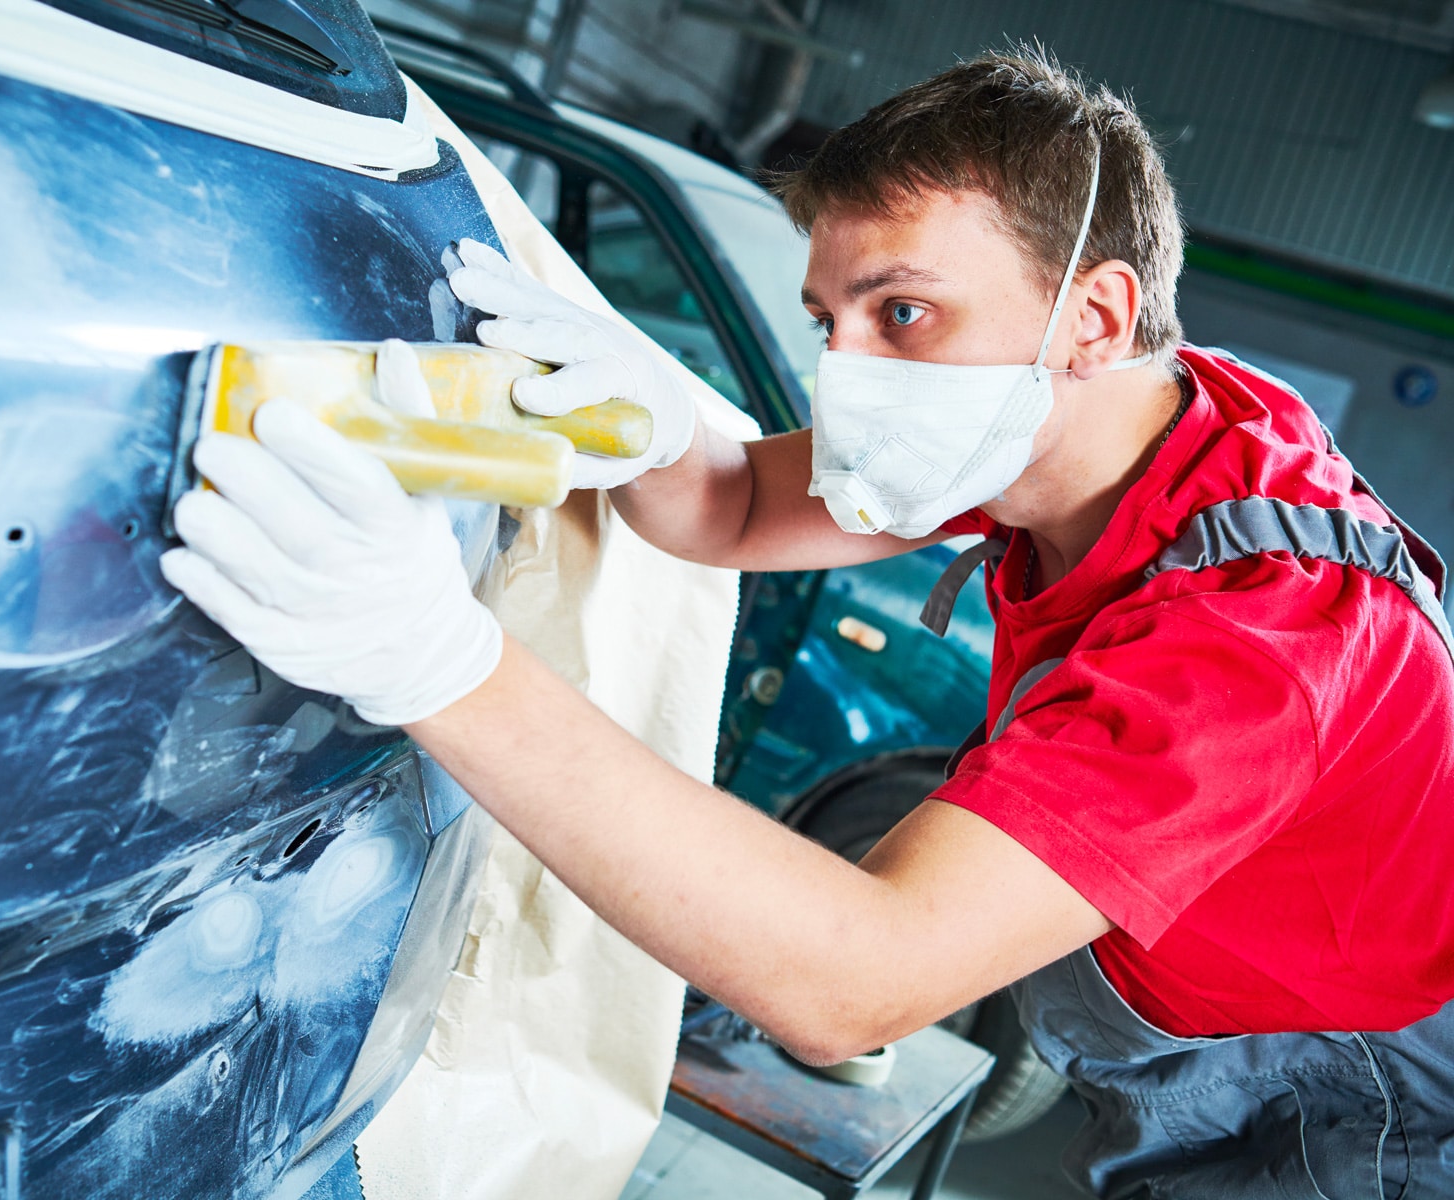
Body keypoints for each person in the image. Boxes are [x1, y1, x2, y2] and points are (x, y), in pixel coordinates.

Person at [160, 48, 1454, 1197]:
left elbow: (853, 986)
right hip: (1215, 1031)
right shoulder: (1123, 425)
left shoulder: (1259, 641)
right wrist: (652, 418)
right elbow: (731, 510)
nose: (853, 377)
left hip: (1365, 1113)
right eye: (831, 322)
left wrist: (432, 661)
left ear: (1097, 316)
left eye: (904, 313)